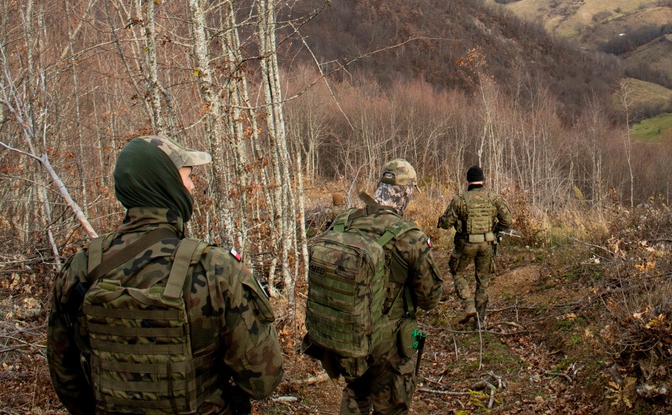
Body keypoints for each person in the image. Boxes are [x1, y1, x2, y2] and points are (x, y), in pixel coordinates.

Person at [46, 135, 284, 415]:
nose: (192, 186)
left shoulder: (80, 268)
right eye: (187, 176)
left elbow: (67, 381)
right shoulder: (215, 269)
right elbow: (263, 380)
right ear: (165, 183)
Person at [303, 158, 443, 415]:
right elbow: (430, 299)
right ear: (407, 192)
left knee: (356, 393)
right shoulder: (410, 237)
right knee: (391, 407)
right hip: (387, 344)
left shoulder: (344, 221)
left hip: (348, 333)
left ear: (379, 187)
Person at [437, 165, 513, 326]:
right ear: (483, 180)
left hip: (467, 243)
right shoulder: (494, 198)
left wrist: (443, 221)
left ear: (468, 181)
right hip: (487, 244)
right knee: (483, 281)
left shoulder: (460, 200)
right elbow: (507, 222)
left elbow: (445, 223)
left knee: (457, 271)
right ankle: (480, 321)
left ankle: (468, 304)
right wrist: (494, 230)